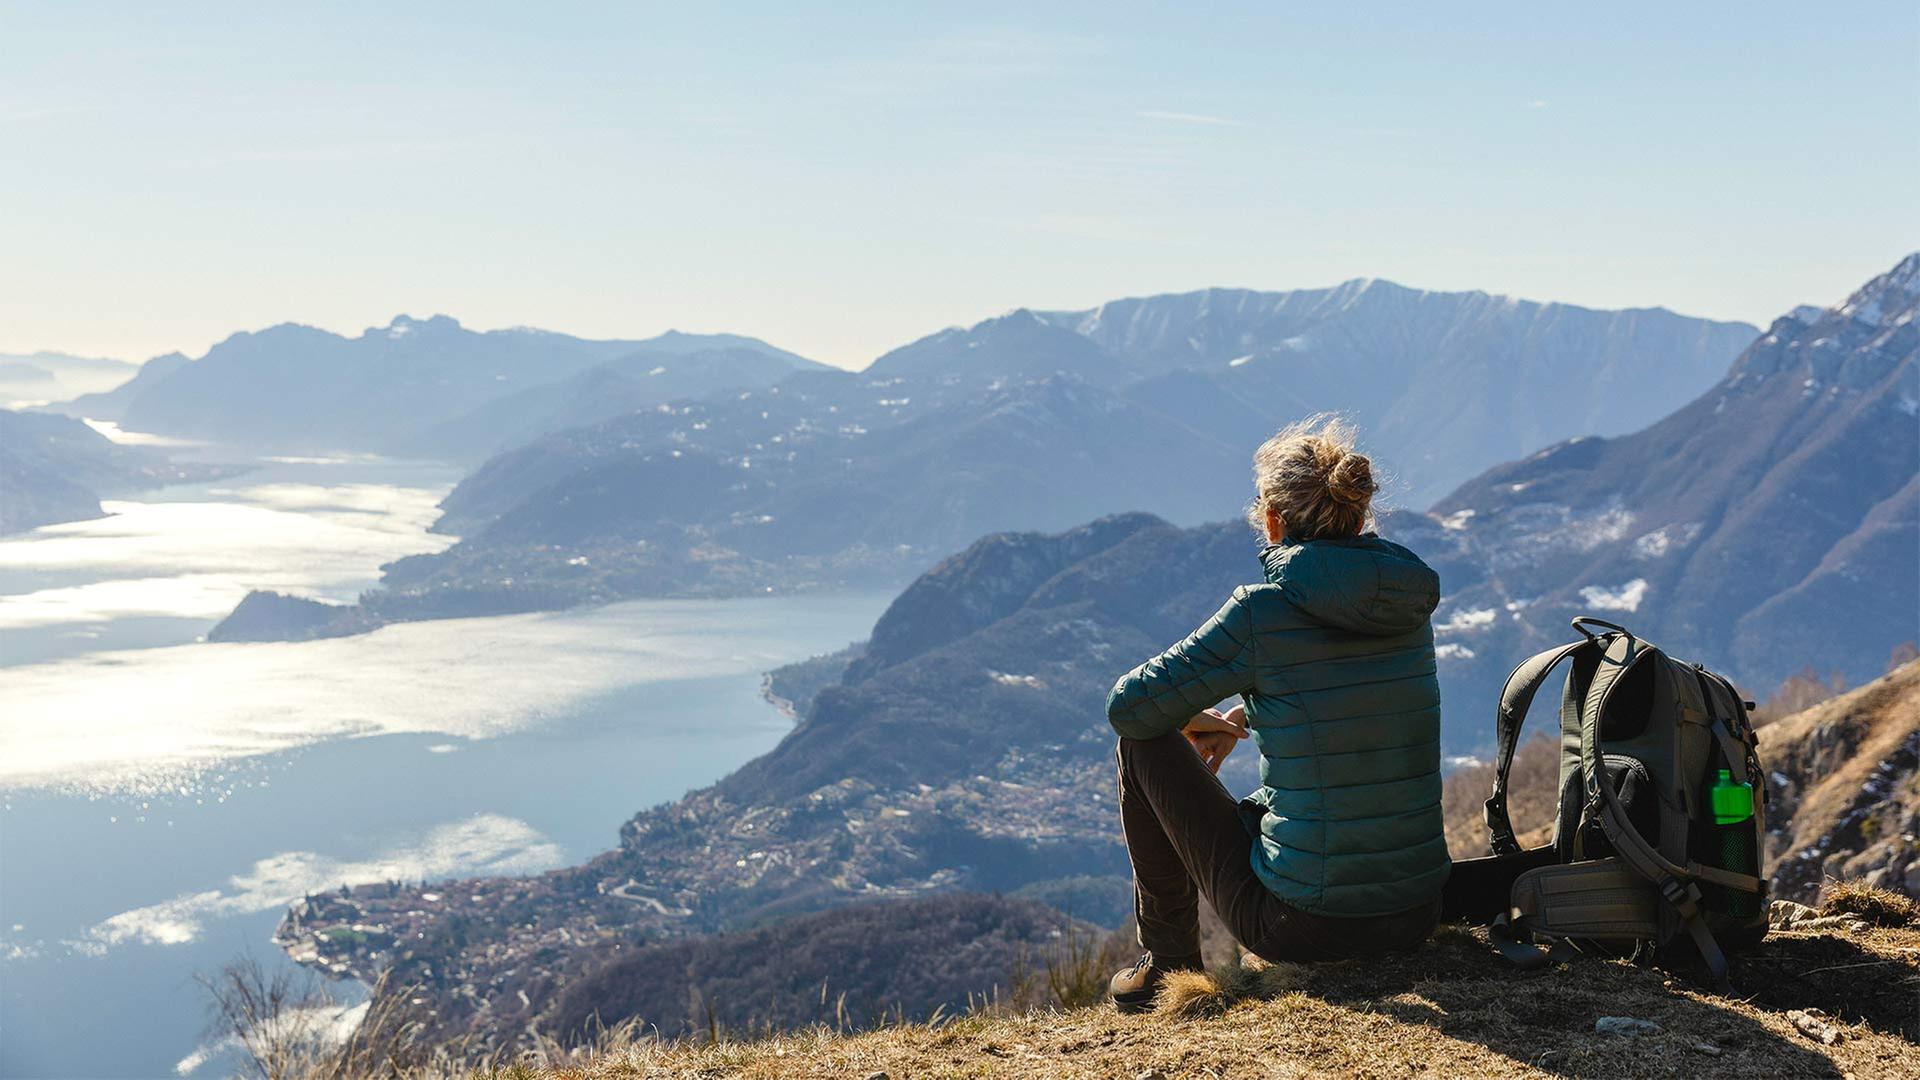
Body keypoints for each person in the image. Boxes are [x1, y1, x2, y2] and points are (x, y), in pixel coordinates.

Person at [1104, 415, 1450, 1013]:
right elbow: (1349, 698)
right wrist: (1249, 709)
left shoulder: (1262, 613)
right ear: (1360, 514)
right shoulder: (1405, 604)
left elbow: (1129, 709)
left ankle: (1168, 964)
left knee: (1143, 742)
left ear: (1271, 521)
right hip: (1417, 909)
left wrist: (1191, 715)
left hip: (1305, 925)